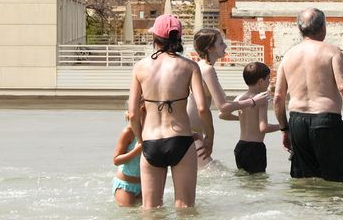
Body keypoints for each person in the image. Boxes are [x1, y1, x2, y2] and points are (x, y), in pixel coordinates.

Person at [129, 14, 214, 209]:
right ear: (179, 38)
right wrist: (210, 136)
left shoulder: (140, 67)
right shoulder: (189, 66)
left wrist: (141, 140)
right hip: (181, 140)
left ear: (154, 38)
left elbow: (133, 113)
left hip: (151, 140)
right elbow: (202, 107)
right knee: (185, 209)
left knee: (150, 210)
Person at [274, 7, 343, 182]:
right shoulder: (332, 51)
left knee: (305, 181)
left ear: (300, 29)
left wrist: (284, 129)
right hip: (326, 121)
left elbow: (278, 97)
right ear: (323, 27)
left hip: (297, 122)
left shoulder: (288, 56)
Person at [188, 28, 271, 164]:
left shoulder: (199, 66)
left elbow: (222, 112)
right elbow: (223, 107)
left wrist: (243, 119)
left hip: (193, 133)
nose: (225, 46)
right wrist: (252, 101)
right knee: (212, 172)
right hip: (192, 133)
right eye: (221, 43)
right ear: (210, 48)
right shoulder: (207, 70)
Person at [228, 61, 280, 174]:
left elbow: (222, 114)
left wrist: (240, 118)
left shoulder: (240, 98)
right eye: (268, 79)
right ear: (261, 81)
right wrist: (283, 126)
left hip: (240, 147)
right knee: (258, 184)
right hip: (255, 148)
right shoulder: (261, 99)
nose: (269, 82)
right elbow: (263, 128)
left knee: (244, 182)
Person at [112, 104, 144, 206]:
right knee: (129, 214)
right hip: (125, 185)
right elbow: (116, 160)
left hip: (144, 185)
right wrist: (136, 151)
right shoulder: (128, 132)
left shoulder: (149, 131)